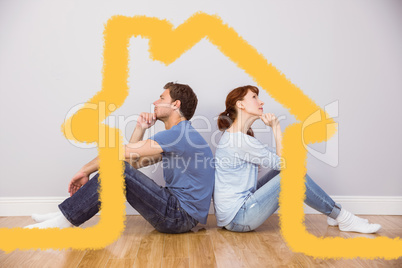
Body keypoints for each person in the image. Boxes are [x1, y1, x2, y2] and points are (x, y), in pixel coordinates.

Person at [25, 82, 215, 234]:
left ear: (176, 104)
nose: (155, 102)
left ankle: (63, 220)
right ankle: (62, 217)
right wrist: (140, 127)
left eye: (161, 97)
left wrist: (85, 170)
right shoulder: (177, 137)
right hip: (177, 214)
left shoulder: (180, 134)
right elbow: (130, 163)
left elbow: (121, 154)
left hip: (178, 216)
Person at [213, 85, 381, 233]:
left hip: (236, 212)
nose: (261, 102)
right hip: (238, 218)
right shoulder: (240, 141)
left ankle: (335, 215)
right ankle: (343, 217)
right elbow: (285, 163)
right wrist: (276, 127)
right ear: (240, 104)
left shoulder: (239, 138)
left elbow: (283, 161)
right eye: (254, 97)